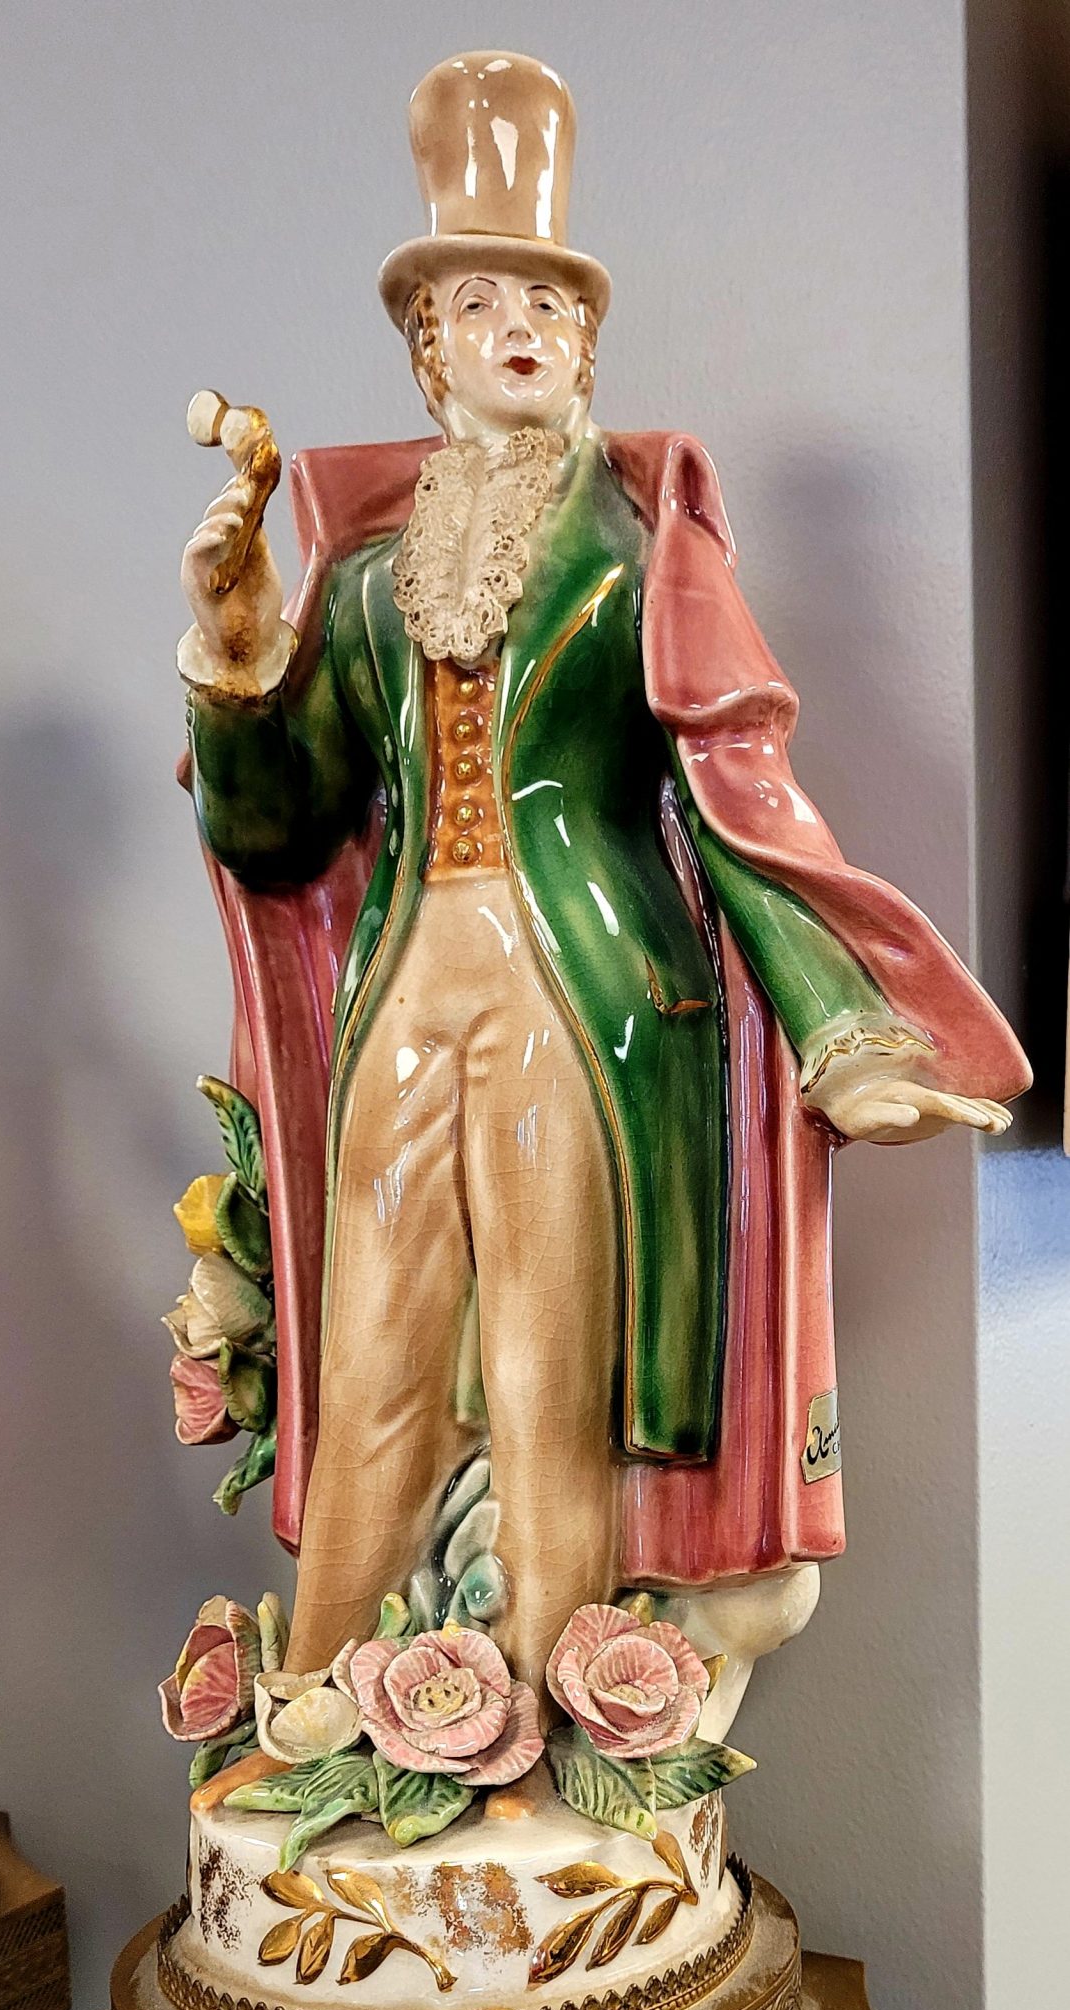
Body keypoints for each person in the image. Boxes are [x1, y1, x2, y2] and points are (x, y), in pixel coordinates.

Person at [179, 51, 1028, 1709]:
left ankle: (535, 1698)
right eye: (480, 300)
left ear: (581, 349)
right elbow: (278, 831)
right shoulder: (366, 576)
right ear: (426, 350)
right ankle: (333, 1674)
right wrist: (234, 651)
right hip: (406, 981)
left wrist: (841, 1028)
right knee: (372, 1342)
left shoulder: (637, 546)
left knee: (544, 1361)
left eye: (552, 306)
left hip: (582, 989)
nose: (522, 326)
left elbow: (732, 789)